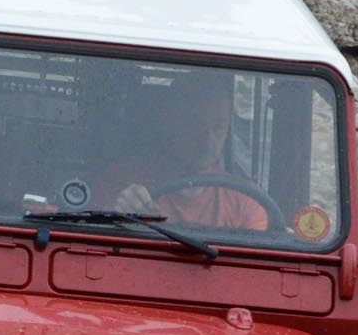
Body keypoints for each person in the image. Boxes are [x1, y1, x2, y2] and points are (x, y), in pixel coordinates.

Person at [103, 81, 270, 231]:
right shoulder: (123, 182)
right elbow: (92, 239)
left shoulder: (244, 198)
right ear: (169, 123)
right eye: (195, 124)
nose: (208, 140)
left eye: (218, 126)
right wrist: (118, 214)